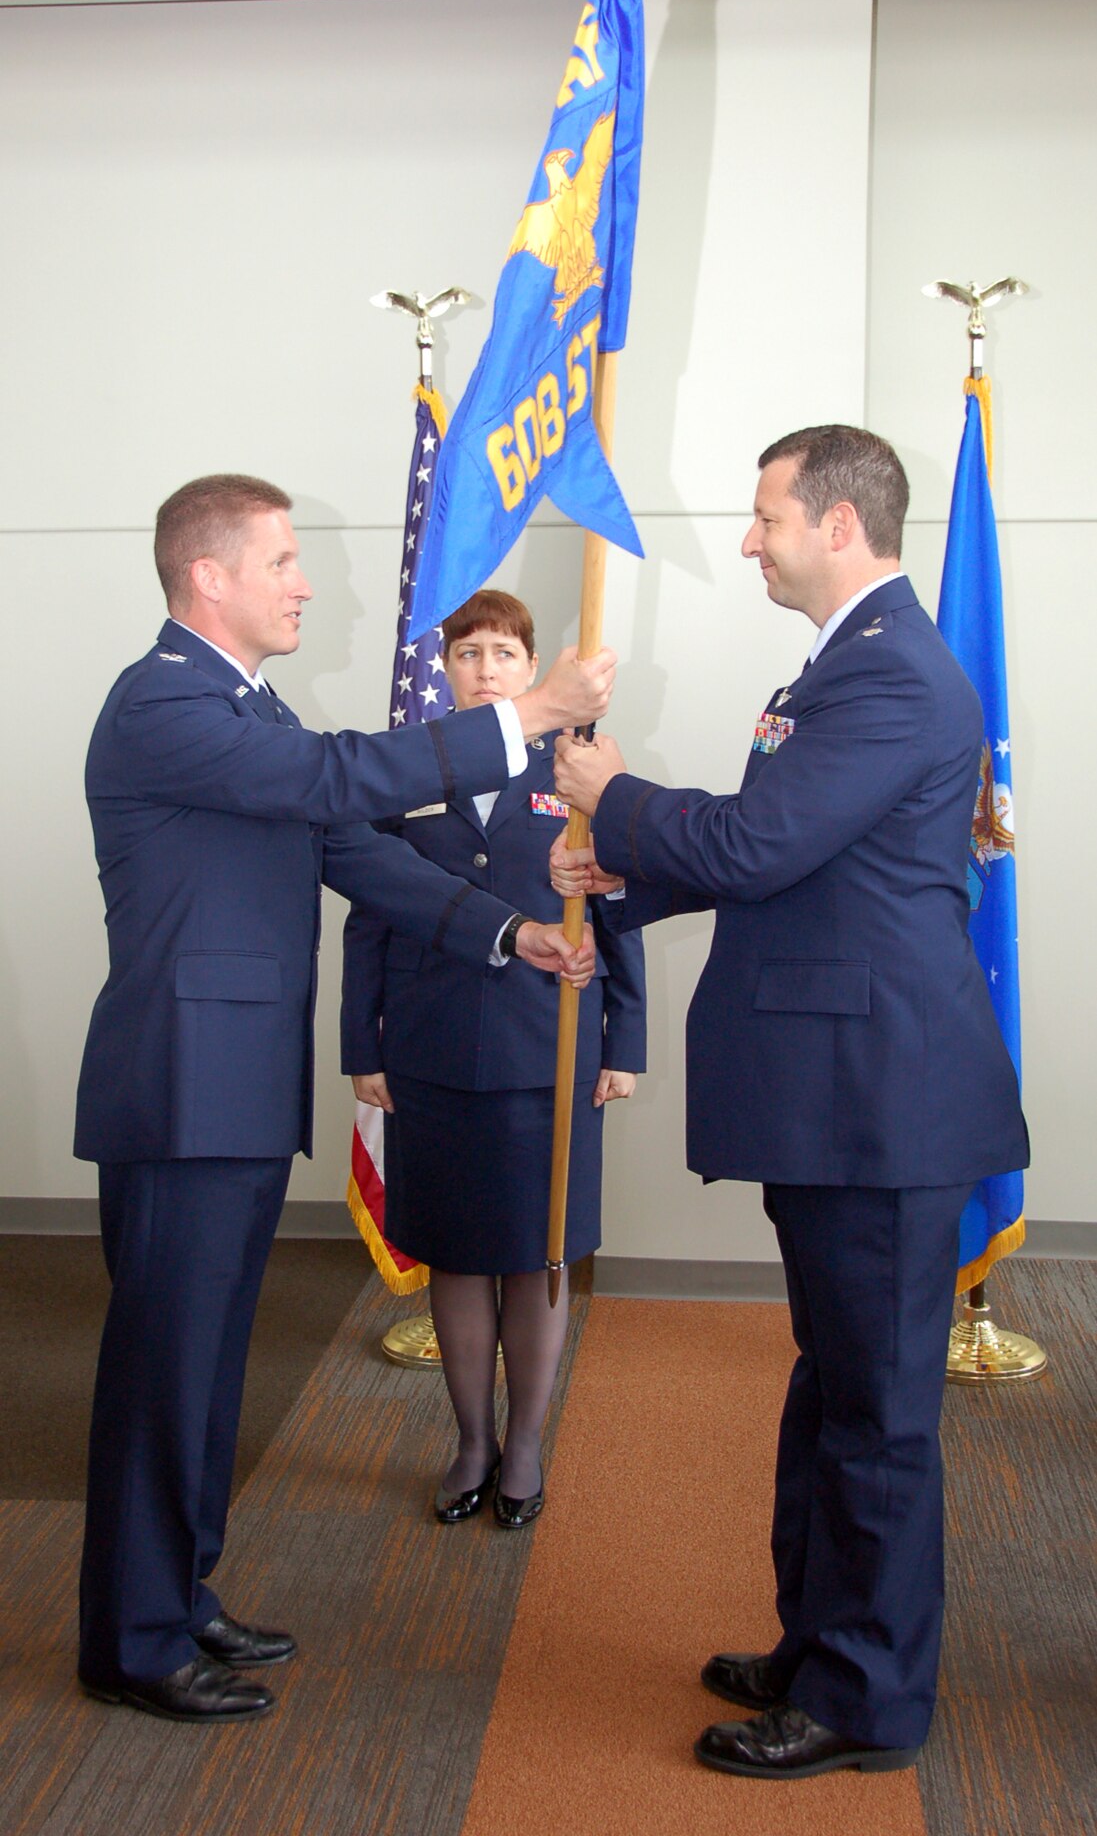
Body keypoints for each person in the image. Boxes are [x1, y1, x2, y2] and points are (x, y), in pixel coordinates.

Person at [75, 474, 616, 1723]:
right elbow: (335, 785)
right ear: (208, 575)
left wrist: (508, 933)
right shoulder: (164, 698)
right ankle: (131, 1635)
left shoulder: (237, 707)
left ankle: (179, 1587)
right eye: (281, 560)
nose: (305, 580)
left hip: (235, 1089)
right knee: (165, 1364)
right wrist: (521, 712)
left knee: (209, 1363)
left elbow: (354, 850)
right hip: (181, 1091)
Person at [550, 425, 1029, 1781]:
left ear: (838, 524)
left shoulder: (891, 679)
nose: (748, 540)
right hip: (843, 1101)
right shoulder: (841, 673)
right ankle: (818, 1642)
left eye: (764, 518)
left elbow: (759, 842)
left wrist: (615, 794)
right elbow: (785, 867)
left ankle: (867, 1698)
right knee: (833, 1390)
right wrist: (623, 865)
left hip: (883, 1109)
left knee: (876, 1415)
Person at [342, 591, 646, 1527]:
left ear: (532, 667)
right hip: (431, 1051)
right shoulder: (405, 771)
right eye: (466, 654)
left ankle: (522, 1449)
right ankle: (470, 1442)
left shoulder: (578, 766)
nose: (484, 669)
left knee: (535, 1256)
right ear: (444, 668)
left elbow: (615, 908)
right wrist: (364, 1044)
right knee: (457, 1259)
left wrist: (623, 1041)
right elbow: (367, 917)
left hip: (544, 1049)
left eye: (503, 653)